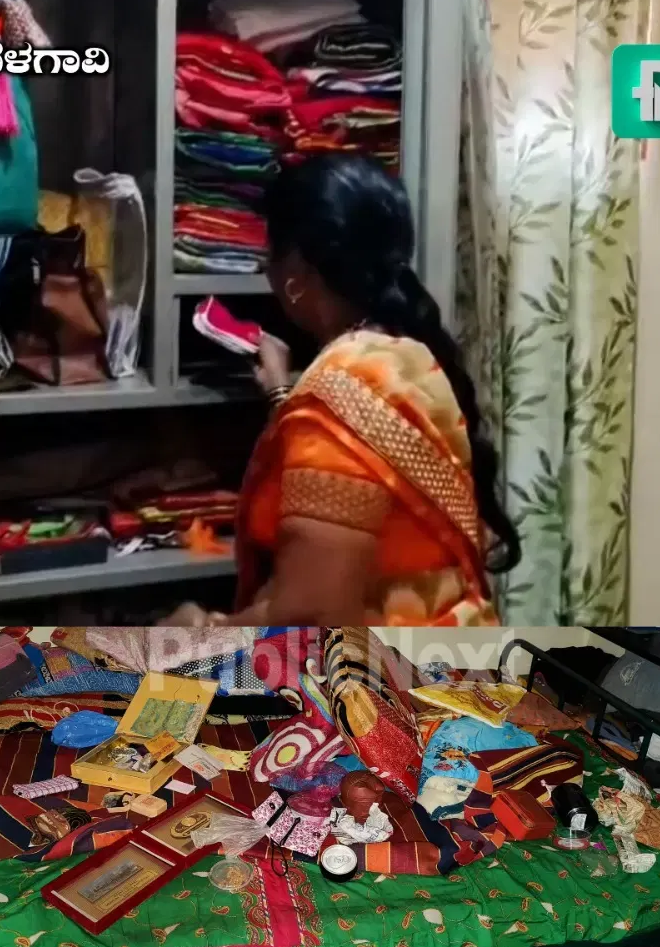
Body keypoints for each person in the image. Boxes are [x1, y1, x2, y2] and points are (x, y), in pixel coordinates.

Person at [170, 154, 519, 627]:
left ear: (295, 272)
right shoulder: (406, 356)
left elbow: (311, 616)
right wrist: (283, 394)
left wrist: (202, 631)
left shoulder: (336, 388)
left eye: (269, 254)